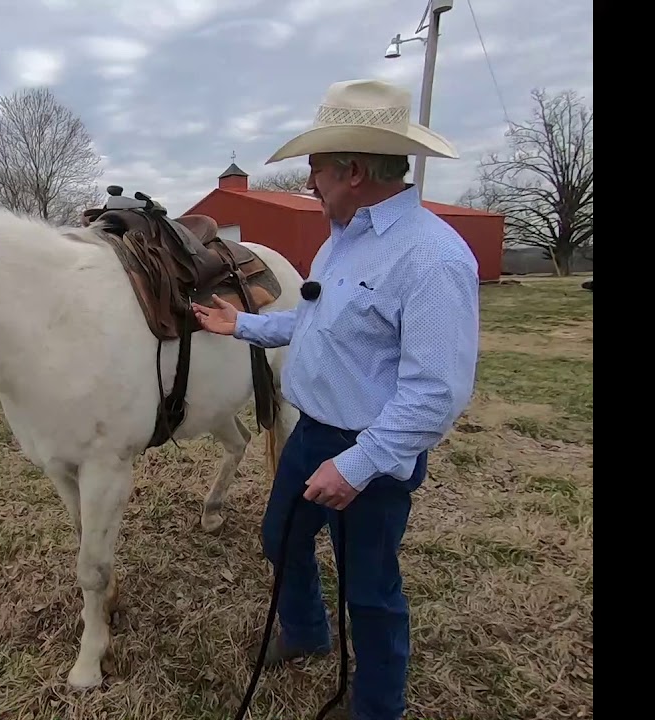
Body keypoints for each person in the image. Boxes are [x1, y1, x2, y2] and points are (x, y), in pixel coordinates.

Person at [192, 78, 480, 720]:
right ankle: (306, 632)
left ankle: (378, 706)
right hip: (312, 436)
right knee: (280, 539)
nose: (309, 184)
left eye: (315, 170)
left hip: (371, 455)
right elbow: (317, 323)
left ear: (352, 171)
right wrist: (238, 325)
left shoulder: (432, 258)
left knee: (370, 592)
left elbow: (437, 392)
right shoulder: (340, 240)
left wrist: (356, 466)